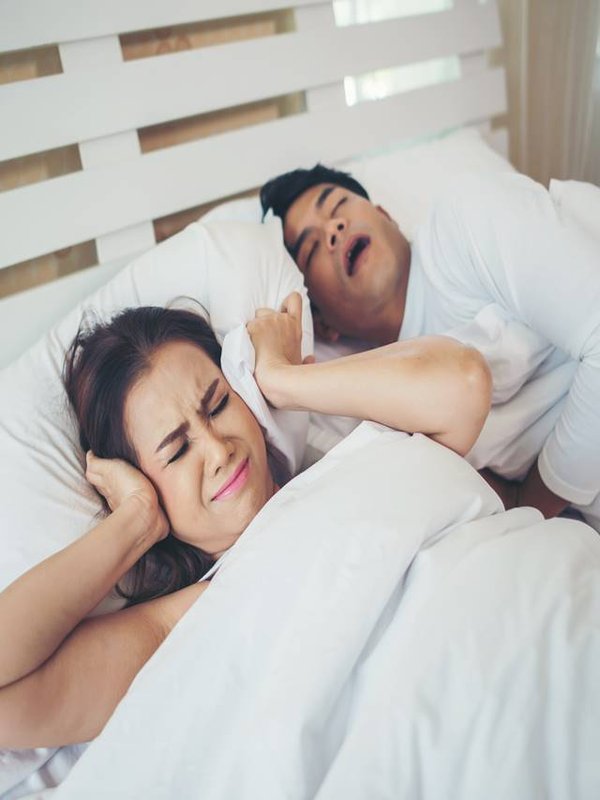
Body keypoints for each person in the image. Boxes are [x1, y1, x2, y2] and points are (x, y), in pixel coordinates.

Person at [0, 297, 491, 749]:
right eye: (176, 451)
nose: (217, 450)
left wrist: (279, 378)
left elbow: (465, 383)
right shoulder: (177, 625)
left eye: (218, 405)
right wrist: (135, 521)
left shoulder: (354, 460)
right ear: (143, 481)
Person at [260, 165, 600, 527]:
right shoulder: (383, 402)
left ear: (384, 215)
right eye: (312, 249)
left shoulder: (462, 219)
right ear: (324, 324)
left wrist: (532, 501)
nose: (334, 229)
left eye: (339, 204)